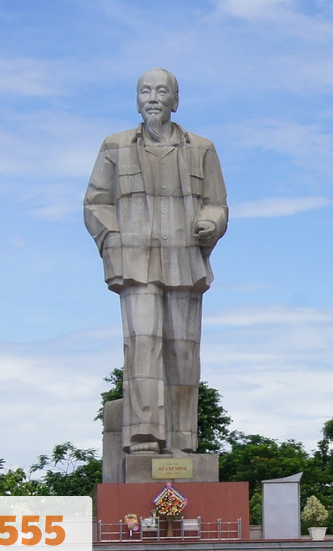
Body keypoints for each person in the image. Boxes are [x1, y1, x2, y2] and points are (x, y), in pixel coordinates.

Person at [84, 68, 228, 454]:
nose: (153, 98)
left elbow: (217, 204)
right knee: (142, 344)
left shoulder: (202, 148)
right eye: (145, 91)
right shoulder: (114, 146)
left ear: (175, 101)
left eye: (162, 91)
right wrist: (115, 240)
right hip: (135, 261)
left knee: (183, 353)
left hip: (184, 259)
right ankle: (144, 435)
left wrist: (210, 223)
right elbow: (95, 203)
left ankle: (183, 440)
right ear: (136, 101)